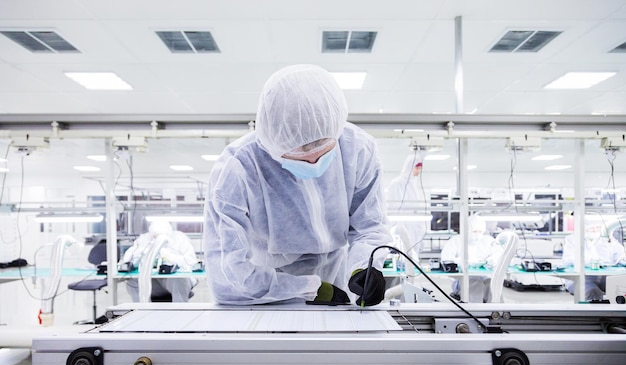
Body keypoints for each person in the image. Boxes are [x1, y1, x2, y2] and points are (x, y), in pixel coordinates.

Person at [203, 64, 392, 306]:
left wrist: (363, 267)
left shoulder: (358, 149)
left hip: (341, 287)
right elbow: (227, 273)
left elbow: (370, 226)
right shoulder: (238, 167)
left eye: (324, 152)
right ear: (273, 145)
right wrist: (308, 289)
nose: (314, 164)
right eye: (299, 158)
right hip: (265, 294)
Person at [122, 220, 199, 302]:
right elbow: (127, 261)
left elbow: (191, 261)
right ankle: (140, 310)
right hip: (152, 282)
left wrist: (170, 257)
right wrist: (141, 254)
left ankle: (179, 311)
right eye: (155, 236)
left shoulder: (180, 239)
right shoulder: (143, 240)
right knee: (132, 280)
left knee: (179, 280)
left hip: (172, 282)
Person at [440, 215, 503, 302]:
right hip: (462, 279)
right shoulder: (455, 241)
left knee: (492, 284)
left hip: (484, 276)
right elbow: (446, 260)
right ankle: (476, 313)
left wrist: (492, 260)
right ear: (467, 229)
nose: (477, 235)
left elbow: (499, 254)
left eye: (480, 232)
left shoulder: (488, 241)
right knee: (475, 283)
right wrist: (463, 261)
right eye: (474, 231)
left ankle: (495, 312)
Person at [561, 218, 626, 300]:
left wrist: (623, 259)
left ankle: (618, 311)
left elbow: (620, 256)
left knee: (621, 289)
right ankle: (594, 312)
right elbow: (569, 260)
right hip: (582, 278)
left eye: (598, 228)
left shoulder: (607, 238)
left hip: (606, 278)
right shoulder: (572, 239)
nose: (595, 230)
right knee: (591, 292)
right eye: (591, 228)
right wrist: (592, 262)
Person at [385, 152, 427, 261]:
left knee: (412, 257)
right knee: (401, 252)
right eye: (417, 168)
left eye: (420, 169)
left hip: (413, 224)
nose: (419, 171)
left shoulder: (415, 184)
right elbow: (392, 205)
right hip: (401, 223)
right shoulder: (397, 183)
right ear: (410, 167)